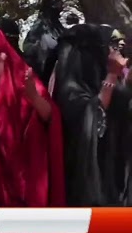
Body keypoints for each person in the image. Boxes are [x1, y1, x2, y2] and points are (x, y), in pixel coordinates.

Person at [0, 26, 65, 207]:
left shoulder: (21, 73)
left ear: (0, 48)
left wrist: (33, 97)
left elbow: (49, 116)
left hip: (30, 165)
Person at [52, 23, 132, 206]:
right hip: (92, 182)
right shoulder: (71, 88)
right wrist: (112, 76)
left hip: (117, 173)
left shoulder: (102, 77)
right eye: (112, 46)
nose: (116, 52)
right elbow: (92, 122)